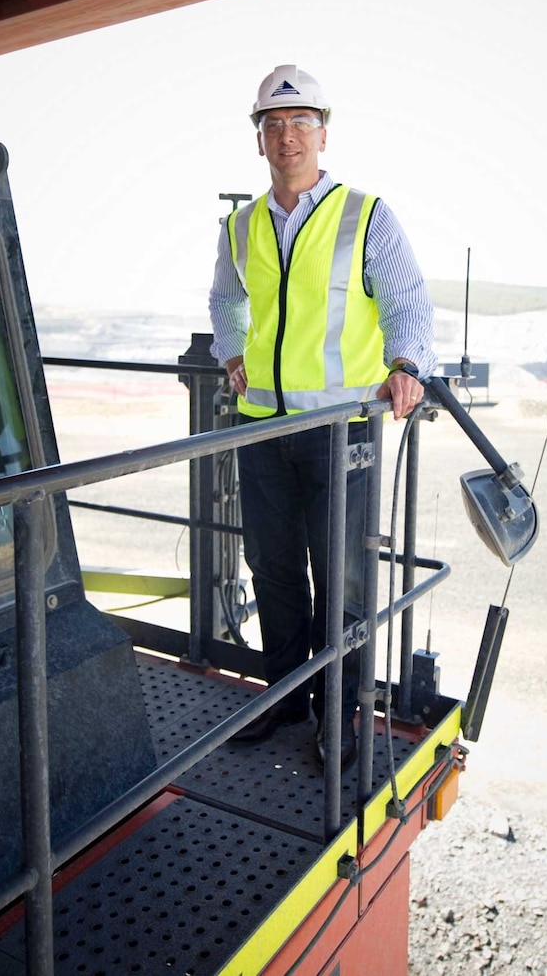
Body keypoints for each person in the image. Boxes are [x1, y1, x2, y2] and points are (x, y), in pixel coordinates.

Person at [209, 64, 437, 769]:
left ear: (323, 134)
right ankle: (283, 697)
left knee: (342, 577)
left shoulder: (364, 215)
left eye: (300, 124)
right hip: (263, 427)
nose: (287, 138)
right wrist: (229, 352)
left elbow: (406, 301)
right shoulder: (241, 225)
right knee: (272, 567)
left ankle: (340, 715)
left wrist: (407, 366)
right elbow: (225, 302)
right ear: (259, 141)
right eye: (273, 126)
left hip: (343, 432)